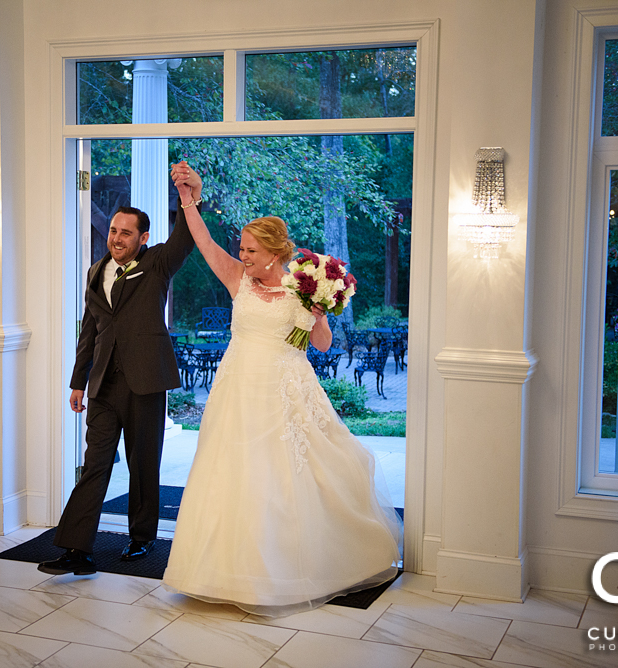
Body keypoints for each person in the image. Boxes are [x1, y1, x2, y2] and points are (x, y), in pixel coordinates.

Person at [162, 162, 403, 617]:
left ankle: (288, 567)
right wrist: (189, 199)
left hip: (285, 391)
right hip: (237, 390)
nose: (244, 255)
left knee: (284, 478)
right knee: (231, 476)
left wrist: (320, 310)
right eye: (243, 248)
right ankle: (218, 570)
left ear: (274, 254)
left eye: (251, 250)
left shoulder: (301, 291)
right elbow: (204, 242)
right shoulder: (238, 280)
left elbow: (320, 344)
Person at [39, 194, 199, 576]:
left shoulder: (157, 263)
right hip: (104, 386)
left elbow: (185, 238)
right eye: (113, 230)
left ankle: (142, 539)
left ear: (143, 238)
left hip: (145, 383)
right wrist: (79, 381)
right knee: (94, 464)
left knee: (143, 465)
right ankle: (77, 549)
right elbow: (90, 331)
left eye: (126, 233)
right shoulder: (96, 271)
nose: (117, 238)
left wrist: (188, 195)